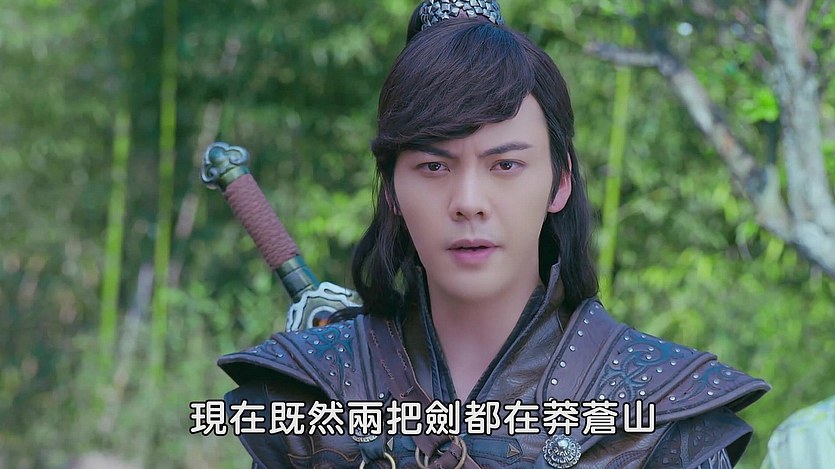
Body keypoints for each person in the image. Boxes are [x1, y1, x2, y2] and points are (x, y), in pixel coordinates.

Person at [218, 2, 770, 467]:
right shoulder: (311, 392)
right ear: (391, 192)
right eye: (434, 166)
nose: (468, 202)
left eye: (505, 165)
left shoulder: (660, 409)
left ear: (559, 182)